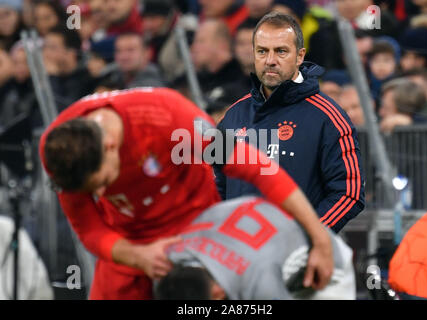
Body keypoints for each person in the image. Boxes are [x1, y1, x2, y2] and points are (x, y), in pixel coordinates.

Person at [39, 87, 334, 299]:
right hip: (128, 246)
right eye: (93, 191)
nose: (103, 193)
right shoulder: (59, 150)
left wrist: (320, 239)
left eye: (103, 181)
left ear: (110, 146)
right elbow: (88, 227)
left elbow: (256, 167)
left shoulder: (171, 119)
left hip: (195, 233)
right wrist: (136, 256)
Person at [216, 12, 365, 233]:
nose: (270, 60)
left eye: (281, 51)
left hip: (297, 259)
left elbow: (349, 192)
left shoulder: (328, 117)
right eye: (262, 51)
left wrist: (307, 238)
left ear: (300, 56)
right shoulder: (234, 115)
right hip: (240, 256)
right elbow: (215, 186)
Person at [155, 196, 356, 300]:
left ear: (217, 292)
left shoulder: (260, 280)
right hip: (256, 234)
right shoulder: (166, 258)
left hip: (324, 264)